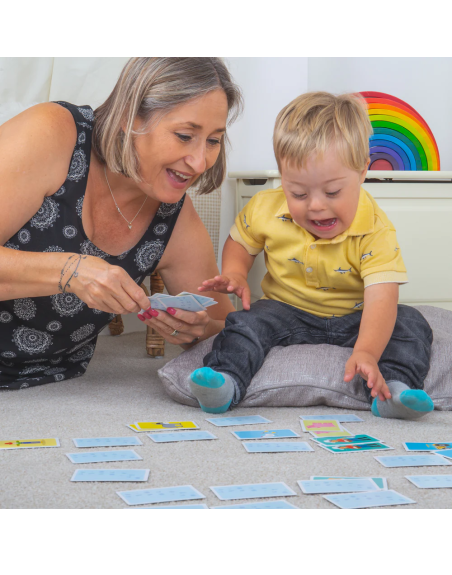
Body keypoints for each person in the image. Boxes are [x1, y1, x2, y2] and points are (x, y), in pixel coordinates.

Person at [189, 91, 434, 420]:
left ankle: (393, 389)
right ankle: (226, 383)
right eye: (298, 192)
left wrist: (367, 350)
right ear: (282, 178)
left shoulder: (374, 227)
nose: (316, 205)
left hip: (355, 315)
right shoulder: (266, 207)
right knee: (243, 323)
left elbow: (382, 296)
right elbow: (240, 241)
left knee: (411, 324)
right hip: (284, 310)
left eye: (332, 192)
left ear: (363, 171)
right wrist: (234, 272)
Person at [0, 57, 242, 390]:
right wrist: (72, 270)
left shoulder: (173, 218)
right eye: (185, 135)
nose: (200, 162)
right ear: (129, 117)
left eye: (213, 140)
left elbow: (225, 326)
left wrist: (196, 330)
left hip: (49, 387)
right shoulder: (52, 132)